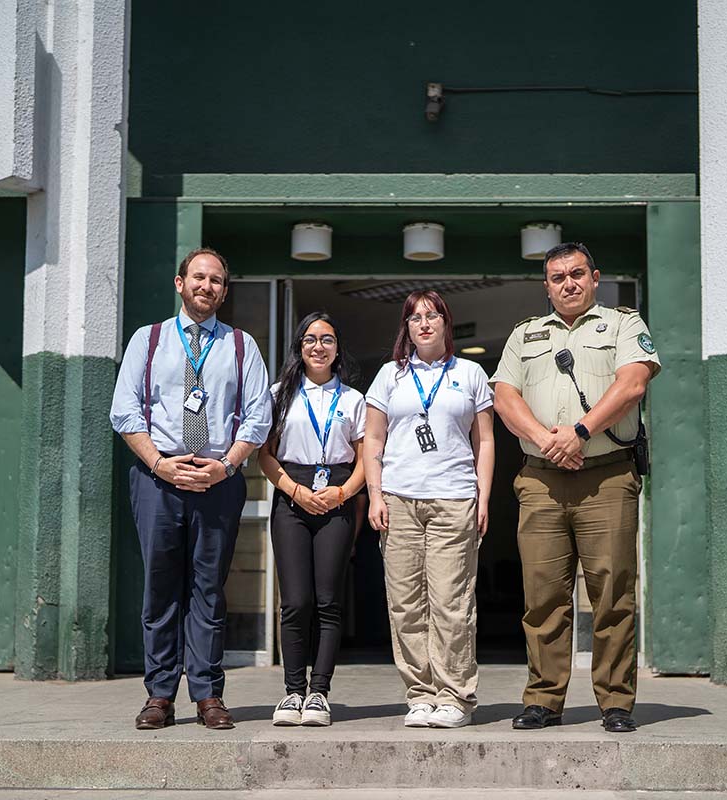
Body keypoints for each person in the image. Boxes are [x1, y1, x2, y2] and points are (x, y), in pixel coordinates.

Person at [490, 242, 660, 733]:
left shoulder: (624, 324)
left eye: (577, 274)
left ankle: (616, 703)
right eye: (558, 277)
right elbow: (505, 397)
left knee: (612, 594)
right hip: (542, 479)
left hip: (606, 474)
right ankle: (543, 700)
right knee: (542, 597)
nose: (568, 283)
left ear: (595, 277)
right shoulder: (526, 335)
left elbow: (632, 384)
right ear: (546, 286)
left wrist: (579, 432)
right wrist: (549, 441)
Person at [109, 247, 271, 731]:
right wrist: (159, 463)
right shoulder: (149, 340)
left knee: (208, 590)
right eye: (198, 277)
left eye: (217, 280)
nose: (207, 286)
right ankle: (159, 694)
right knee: (161, 588)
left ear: (225, 290)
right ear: (180, 284)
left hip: (217, 479)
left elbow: (258, 416)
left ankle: (207, 694)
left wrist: (225, 465)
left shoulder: (241, 345)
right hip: (158, 477)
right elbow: (125, 410)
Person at [363, 290, 495, 729]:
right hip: (399, 500)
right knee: (405, 604)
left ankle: (455, 696)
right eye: (416, 317)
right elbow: (374, 441)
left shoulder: (471, 373)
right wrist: (376, 495)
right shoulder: (389, 376)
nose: (424, 323)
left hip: (454, 498)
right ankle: (420, 695)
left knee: (451, 604)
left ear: (446, 323)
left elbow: (486, 441)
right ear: (407, 326)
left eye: (433, 315)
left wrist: (483, 497)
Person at [258, 312, 366, 727]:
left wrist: (341, 493)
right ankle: (292, 692)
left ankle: (319, 692)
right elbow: (265, 454)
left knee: (327, 602)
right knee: (296, 601)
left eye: (327, 339)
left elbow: (364, 458)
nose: (318, 346)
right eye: (310, 340)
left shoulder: (354, 400)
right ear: (299, 348)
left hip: (337, 496)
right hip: (292, 495)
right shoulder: (278, 394)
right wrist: (294, 490)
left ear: (337, 349)